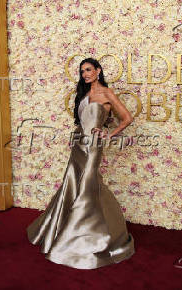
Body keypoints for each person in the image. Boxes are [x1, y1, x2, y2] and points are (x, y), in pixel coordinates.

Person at [27, 58, 135, 269]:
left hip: (93, 145)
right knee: (73, 182)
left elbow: (127, 118)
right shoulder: (84, 94)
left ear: (98, 71)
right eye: (82, 71)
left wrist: (108, 134)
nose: (85, 74)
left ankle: (89, 237)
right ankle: (66, 229)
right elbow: (83, 121)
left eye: (88, 70)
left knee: (88, 184)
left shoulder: (106, 93)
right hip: (78, 142)